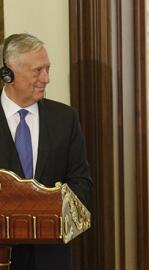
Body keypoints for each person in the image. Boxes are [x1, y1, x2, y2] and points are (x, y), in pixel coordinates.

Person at [0, 33, 93, 269]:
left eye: (47, 69)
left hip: (51, 257)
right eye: (37, 70)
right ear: (8, 73)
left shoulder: (65, 119)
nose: (46, 78)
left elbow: (81, 182)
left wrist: (49, 213)